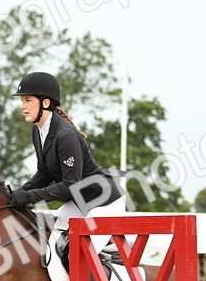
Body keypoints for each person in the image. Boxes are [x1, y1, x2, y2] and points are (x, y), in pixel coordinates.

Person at [7, 72, 124, 263]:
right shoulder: (39, 131)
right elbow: (44, 172)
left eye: (28, 100)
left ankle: (106, 268)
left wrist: (29, 197)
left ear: (45, 103)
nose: (22, 106)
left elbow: (70, 184)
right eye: (22, 101)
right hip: (79, 201)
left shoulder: (65, 135)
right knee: (50, 243)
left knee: (76, 257)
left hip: (103, 203)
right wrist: (19, 192)